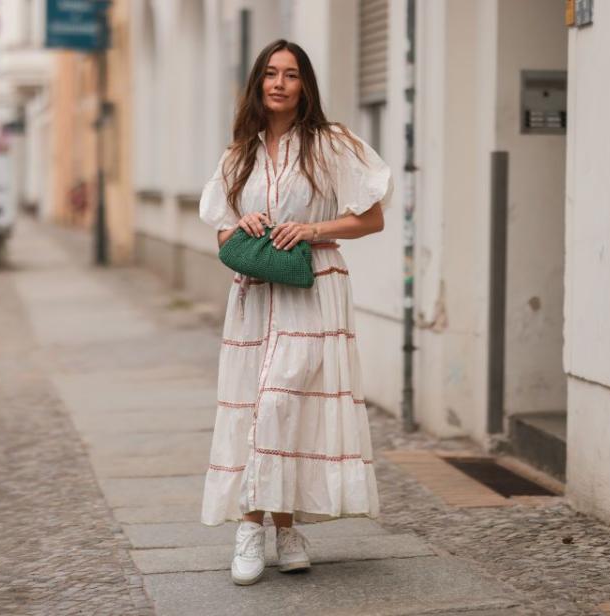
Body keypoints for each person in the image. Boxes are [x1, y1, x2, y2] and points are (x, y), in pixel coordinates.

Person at [198, 39, 393, 586]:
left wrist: (312, 228)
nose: (280, 83)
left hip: (314, 288)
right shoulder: (239, 154)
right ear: (258, 82)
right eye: (270, 73)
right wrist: (244, 227)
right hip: (256, 292)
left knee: (284, 400)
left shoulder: (332, 144)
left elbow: (371, 218)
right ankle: (278, 530)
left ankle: (252, 525)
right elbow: (220, 227)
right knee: (259, 405)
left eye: (291, 74)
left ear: (305, 84)